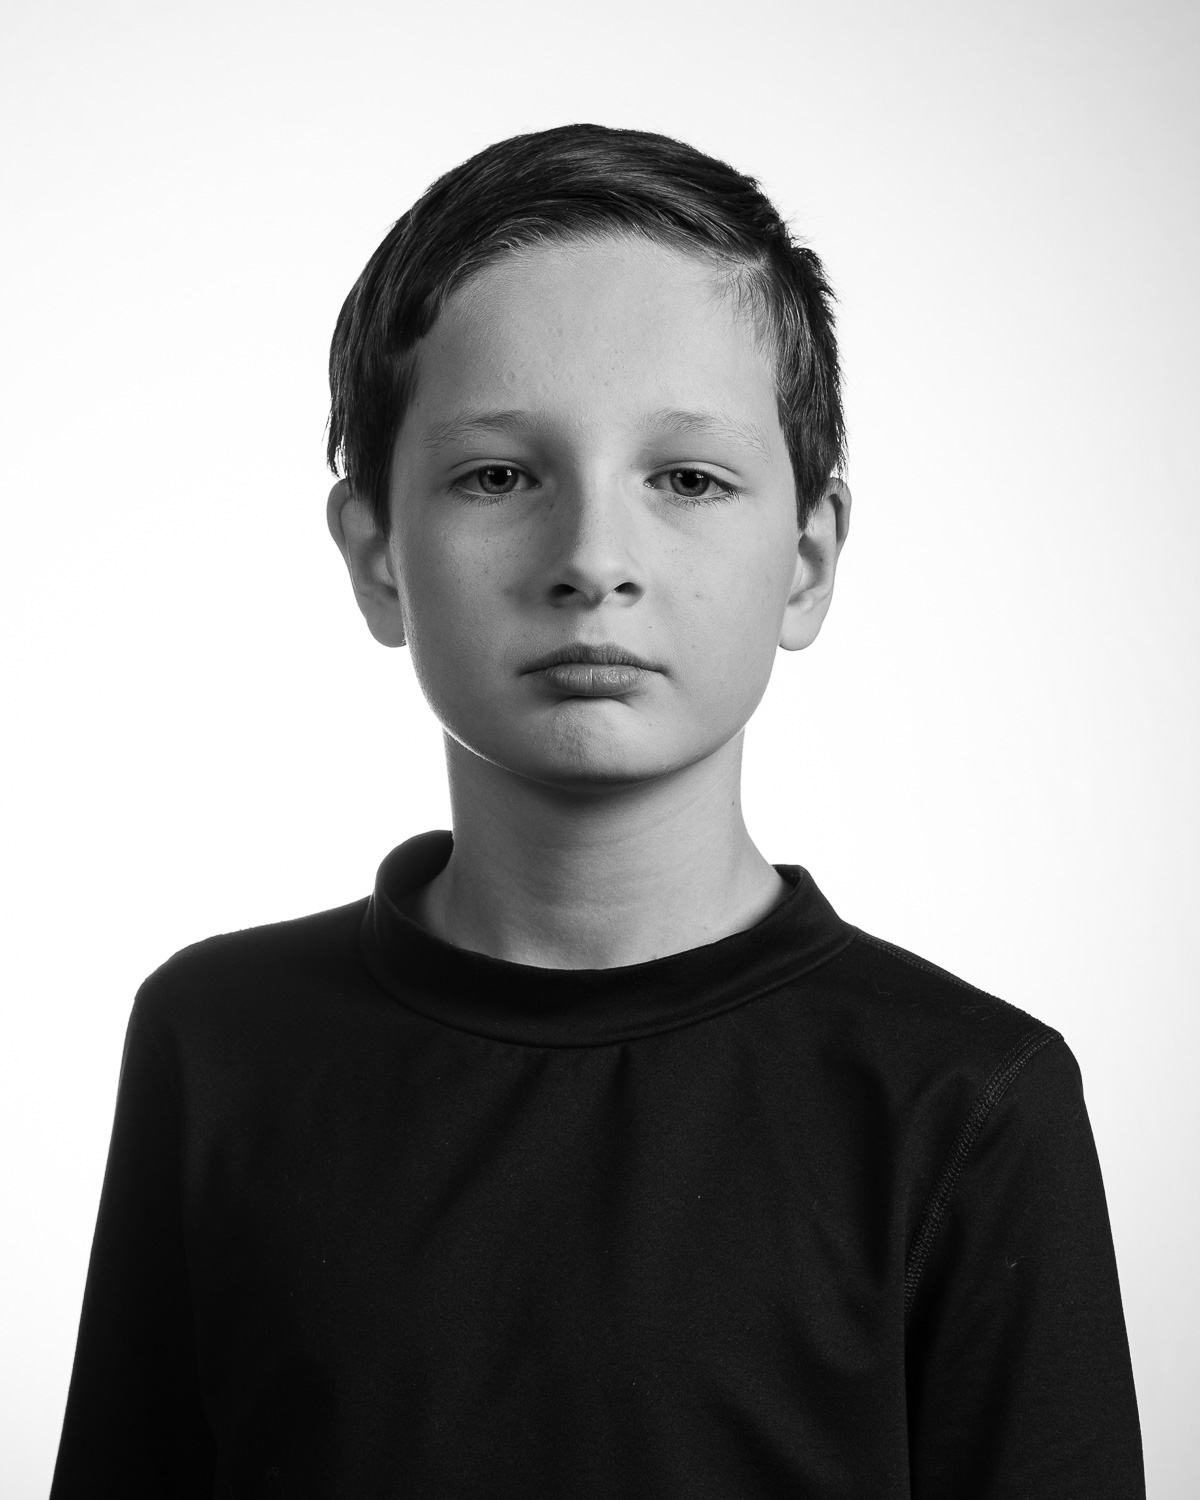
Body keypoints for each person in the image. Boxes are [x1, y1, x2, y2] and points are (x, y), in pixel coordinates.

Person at [50, 124, 1145, 1498]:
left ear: (806, 561)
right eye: (499, 476)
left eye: (686, 479)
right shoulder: (219, 1042)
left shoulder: (968, 1100)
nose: (592, 561)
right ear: (378, 554)